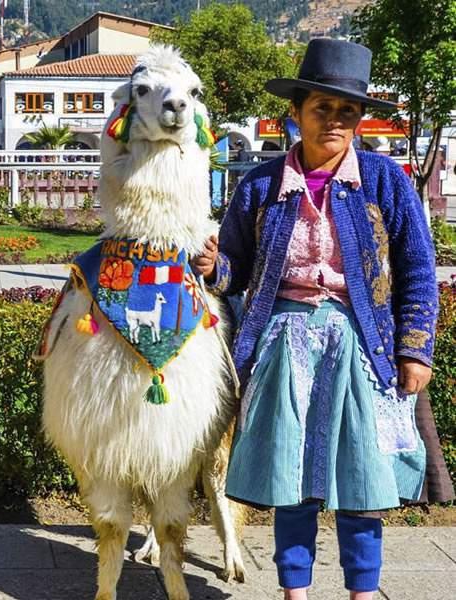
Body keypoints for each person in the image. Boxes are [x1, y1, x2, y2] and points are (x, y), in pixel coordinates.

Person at [194, 38, 452, 600]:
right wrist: (216, 268)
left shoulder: (385, 181)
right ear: (296, 112)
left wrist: (414, 349)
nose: (334, 120)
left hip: (361, 346)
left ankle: (363, 593)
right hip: (282, 348)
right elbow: (237, 269)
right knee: (289, 483)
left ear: (358, 119)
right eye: (322, 108)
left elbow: (416, 268)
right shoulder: (260, 185)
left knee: (362, 485)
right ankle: (296, 593)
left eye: (347, 111)